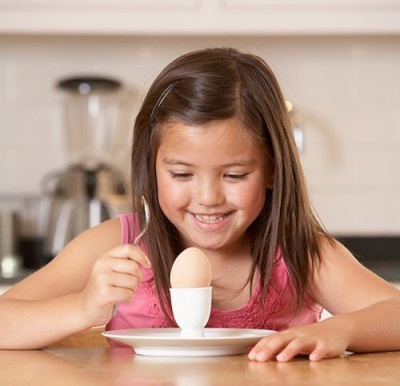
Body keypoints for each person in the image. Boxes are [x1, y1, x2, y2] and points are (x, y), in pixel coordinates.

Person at [1, 47, 399, 362]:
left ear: (274, 170)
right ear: (150, 168)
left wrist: (340, 331)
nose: (208, 198)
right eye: (181, 174)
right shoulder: (118, 245)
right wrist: (82, 308)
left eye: (235, 175)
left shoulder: (299, 252)